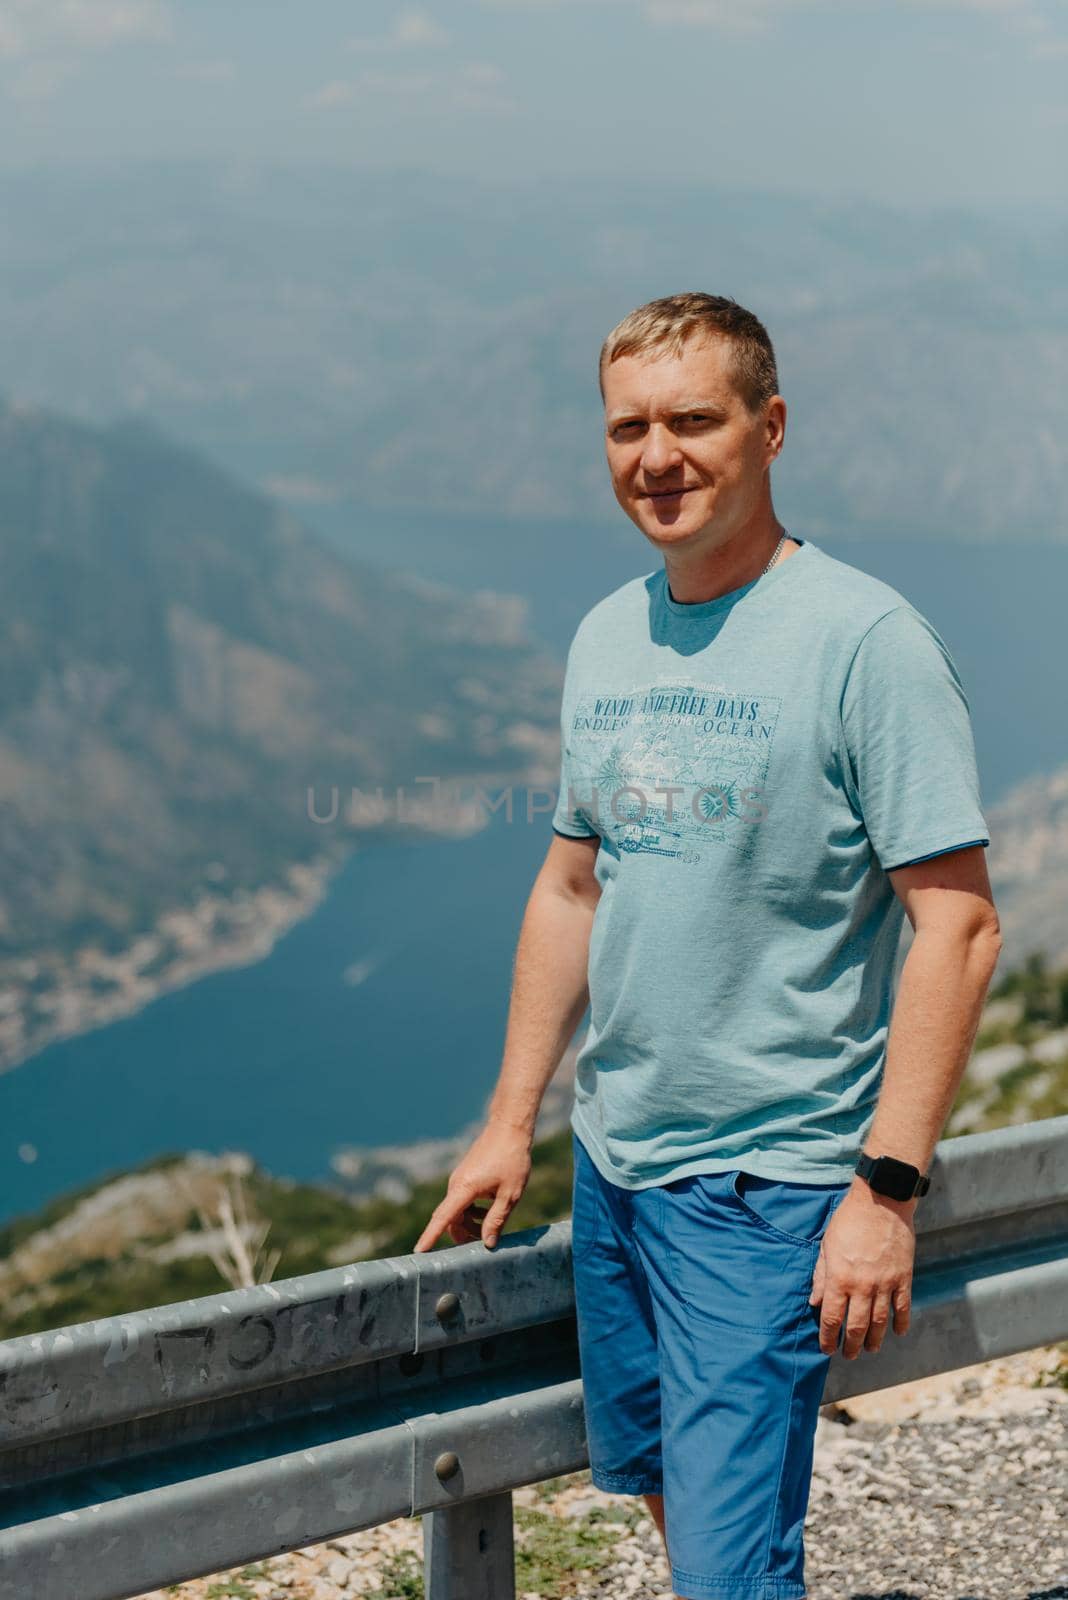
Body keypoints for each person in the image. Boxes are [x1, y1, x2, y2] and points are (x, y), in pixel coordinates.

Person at [414, 292, 1002, 1599]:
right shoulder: (609, 635)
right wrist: (513, 1121)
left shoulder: (867, 642)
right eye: (630, 428)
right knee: (678, 1513)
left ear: (770, 427)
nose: (658, 458)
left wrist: (884, 1195)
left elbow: (957, 926)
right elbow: (572, 889)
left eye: (694, 421)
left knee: (734, 1574)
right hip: (617, 1167)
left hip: (765, 1189)